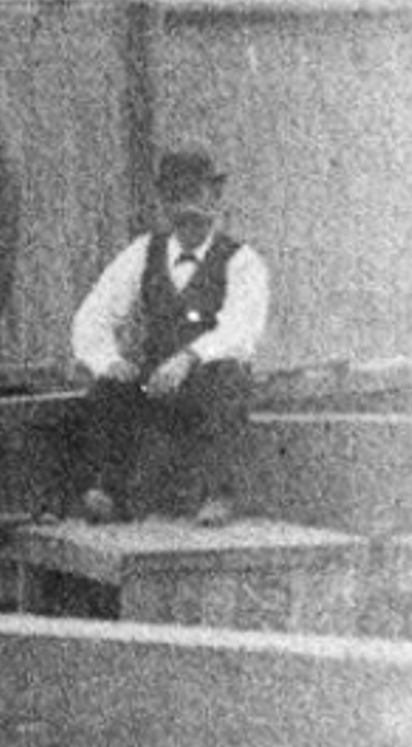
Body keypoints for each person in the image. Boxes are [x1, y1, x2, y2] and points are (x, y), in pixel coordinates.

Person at [66, 147, 271, 526]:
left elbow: (241, 329)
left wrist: (189, 357)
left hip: (207, 392)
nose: (187, 208)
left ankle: (217, 495)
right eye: (176, 197)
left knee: (230, 375)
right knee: (111, 384)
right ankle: (110, 492)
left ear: (215, 197)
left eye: (196, 195)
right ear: (163, 203)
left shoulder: (242, 261)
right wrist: (109, 361)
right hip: (154, 389)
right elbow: (91, 318)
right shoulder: (143, 253)